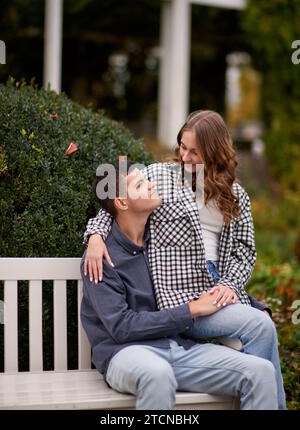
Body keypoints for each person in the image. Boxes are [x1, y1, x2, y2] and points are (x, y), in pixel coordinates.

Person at [83, 110, 286, 409]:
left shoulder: (236, 195)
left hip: (216, 285)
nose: (185, 156)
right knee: (259, 326)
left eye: (195, 151)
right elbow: (113, 206)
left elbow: (244, 250)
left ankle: (257, 396)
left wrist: (230, 284)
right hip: (180, 296)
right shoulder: (160, 177)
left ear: (215, 152)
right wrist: (96, 237)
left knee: (262, 327)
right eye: (182, 147)